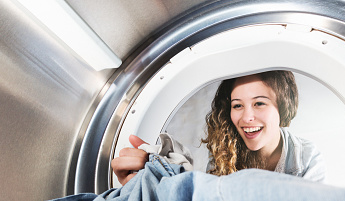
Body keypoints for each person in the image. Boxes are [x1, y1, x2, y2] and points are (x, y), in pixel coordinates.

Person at [112, 70, 325, 185]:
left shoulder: (306, 156)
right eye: (237, 105)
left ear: (283, 108)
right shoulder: (226, 153)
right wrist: (161, 180)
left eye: (259, 103)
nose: (246, 117)